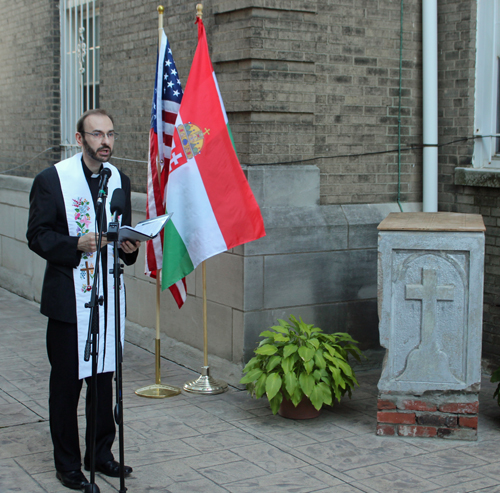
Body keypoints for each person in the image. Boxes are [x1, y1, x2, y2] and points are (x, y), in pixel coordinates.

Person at [27, 109, 140, 491]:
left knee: (103, 378)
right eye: (96, 135)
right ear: (80, 139)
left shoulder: (119, 180)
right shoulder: (52, 180)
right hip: (67, 300)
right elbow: (38, 235)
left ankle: (100, 453)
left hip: (107, 294)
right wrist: (74, 244)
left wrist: (128, 247)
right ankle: (68, 464)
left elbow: (123, 241)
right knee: (66, 385)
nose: (105, 141)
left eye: (110, 134)